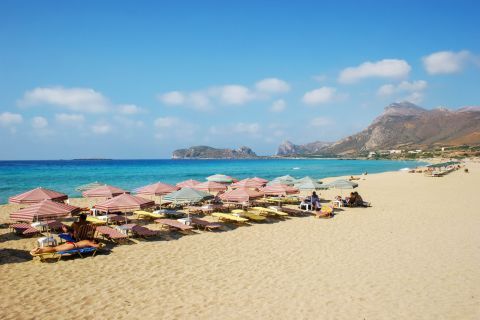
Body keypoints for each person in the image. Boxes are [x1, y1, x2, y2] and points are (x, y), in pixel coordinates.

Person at [30, 240, 103, 255]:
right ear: (93, 241)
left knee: (55, 247)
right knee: (55, 249)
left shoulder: (85, 240)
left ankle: (39, 249)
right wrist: (99, 245)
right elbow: (96, 246)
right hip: (73, 246)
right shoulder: (88, 242)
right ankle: (38, 251)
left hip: (71, 243)